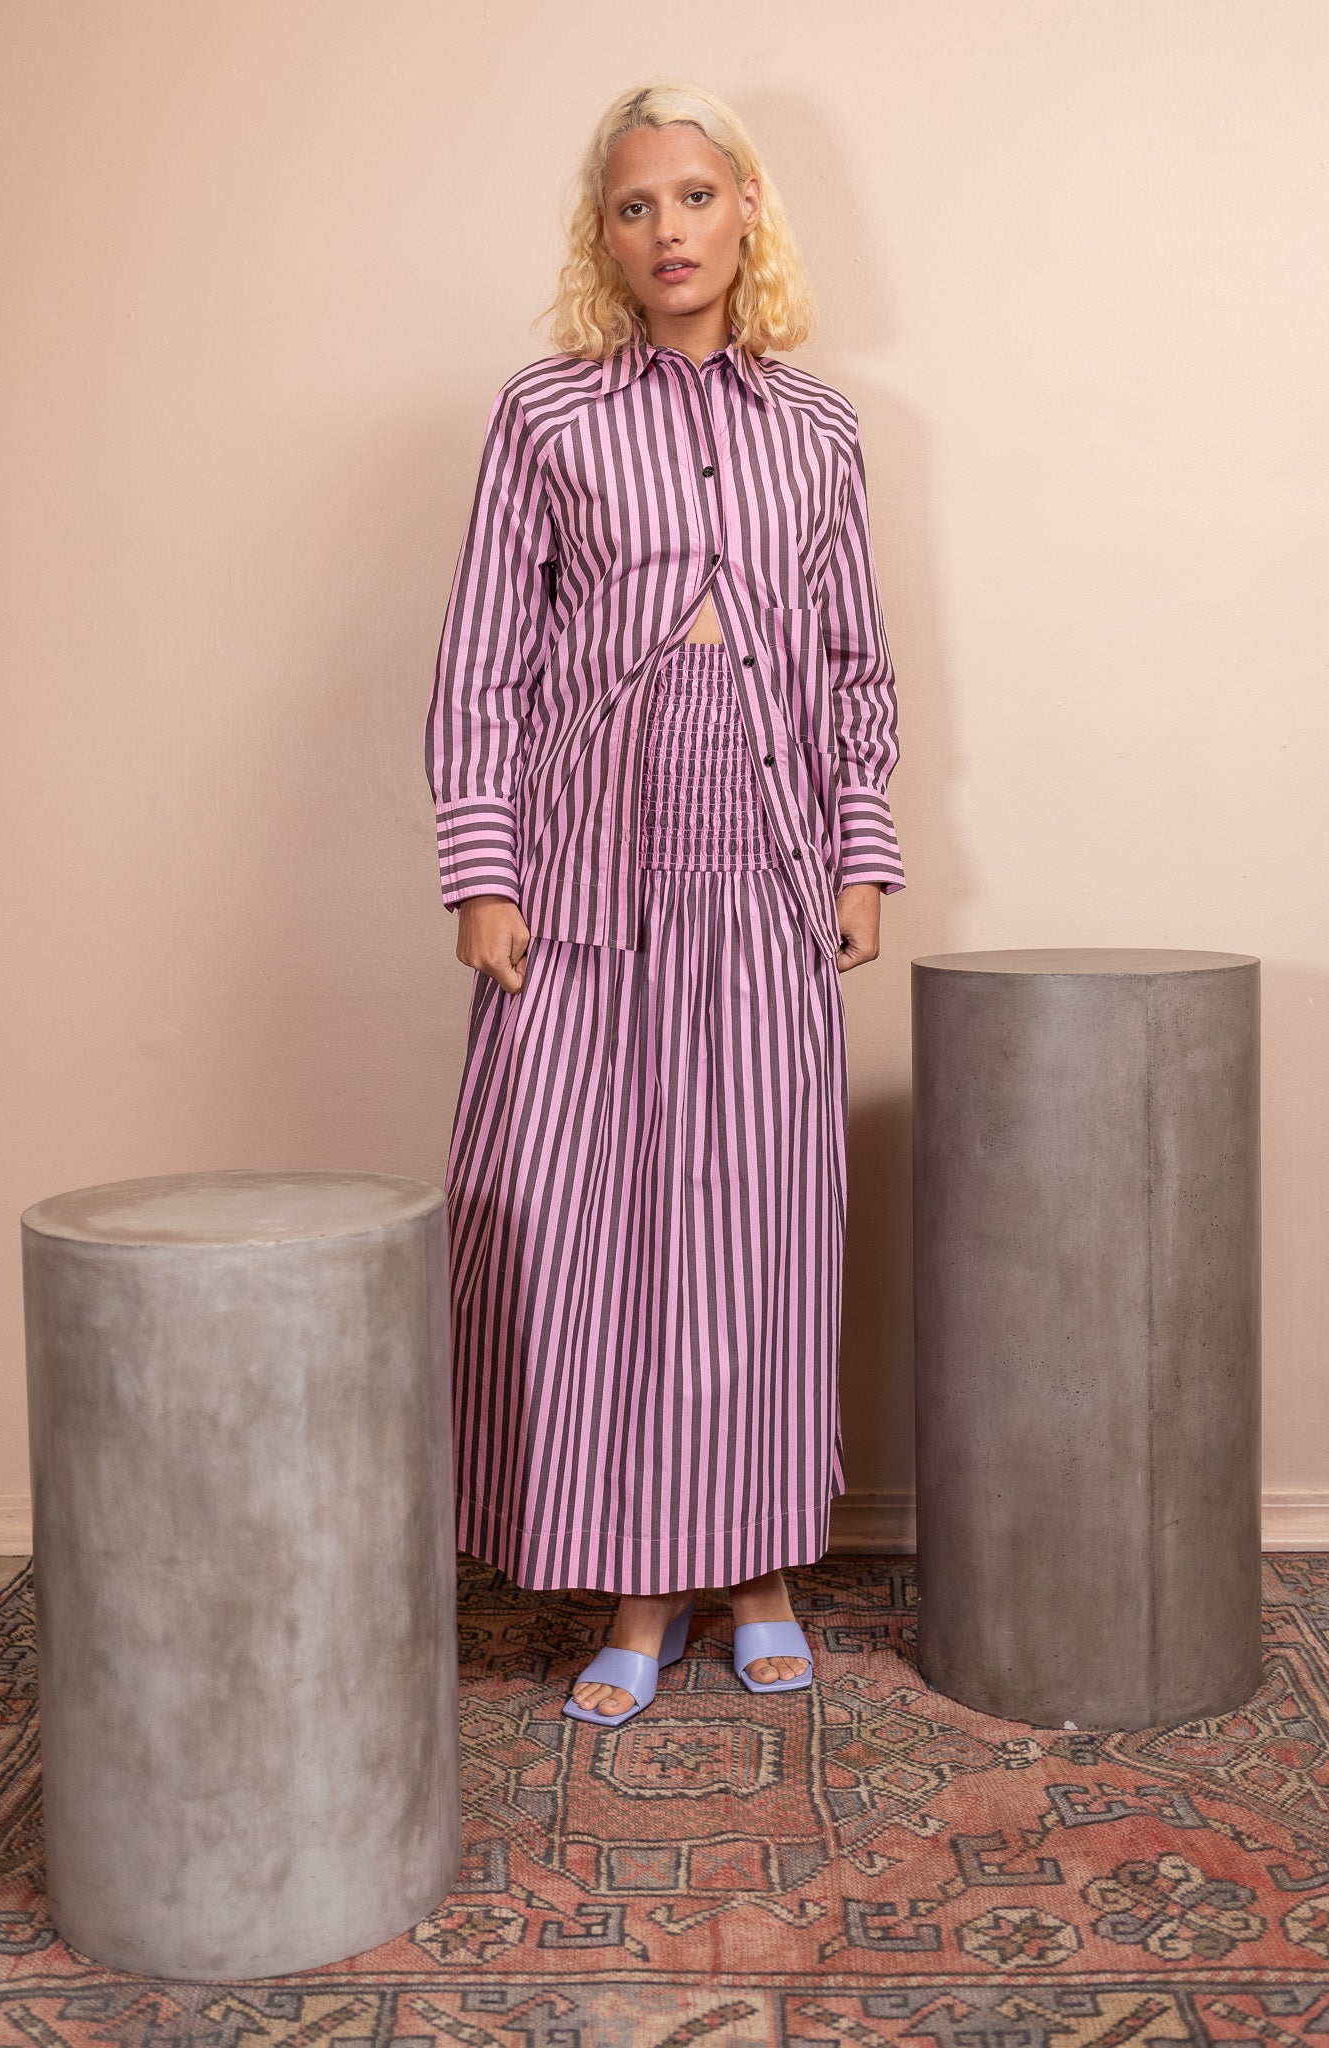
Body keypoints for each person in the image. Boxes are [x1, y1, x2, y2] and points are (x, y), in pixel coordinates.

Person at [424, 80, 905, 1725]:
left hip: (765, 863)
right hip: (584, 872)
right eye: (635, 205)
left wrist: (861, 852)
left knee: (758, 1222)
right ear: (605, 234)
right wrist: (484, 868)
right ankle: (638, 1585)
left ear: (747, 208)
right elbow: (483, 657)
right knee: (585, 1222)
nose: (669, 229)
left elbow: (852, 658)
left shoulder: (820, 427)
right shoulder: (546, 415)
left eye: (695, 195)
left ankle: (757, 1572)